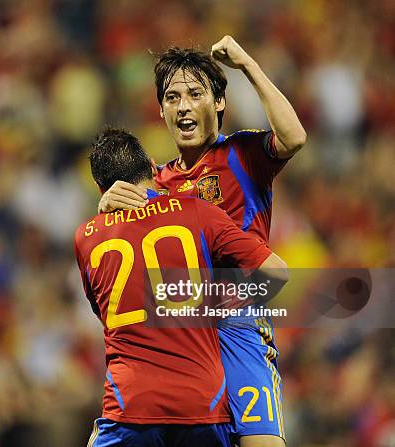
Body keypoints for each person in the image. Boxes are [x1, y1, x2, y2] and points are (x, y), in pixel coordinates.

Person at [98, 37, 306, 447]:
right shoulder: (154, 182)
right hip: (177, 336)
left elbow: (294, 137)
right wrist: (106, 203)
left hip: (236, 326)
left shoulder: (243, 154)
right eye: (172, 97)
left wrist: (246, 63)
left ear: (219, 104)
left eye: (196, 94)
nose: (184, 106)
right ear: (161, 111)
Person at [76, 128, 288, 446]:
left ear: (99, 187)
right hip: (204, 403)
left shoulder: (85, 236)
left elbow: (103, 309)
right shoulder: (198, 212)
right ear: (151, 168)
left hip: (131, 406)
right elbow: (277, 273)